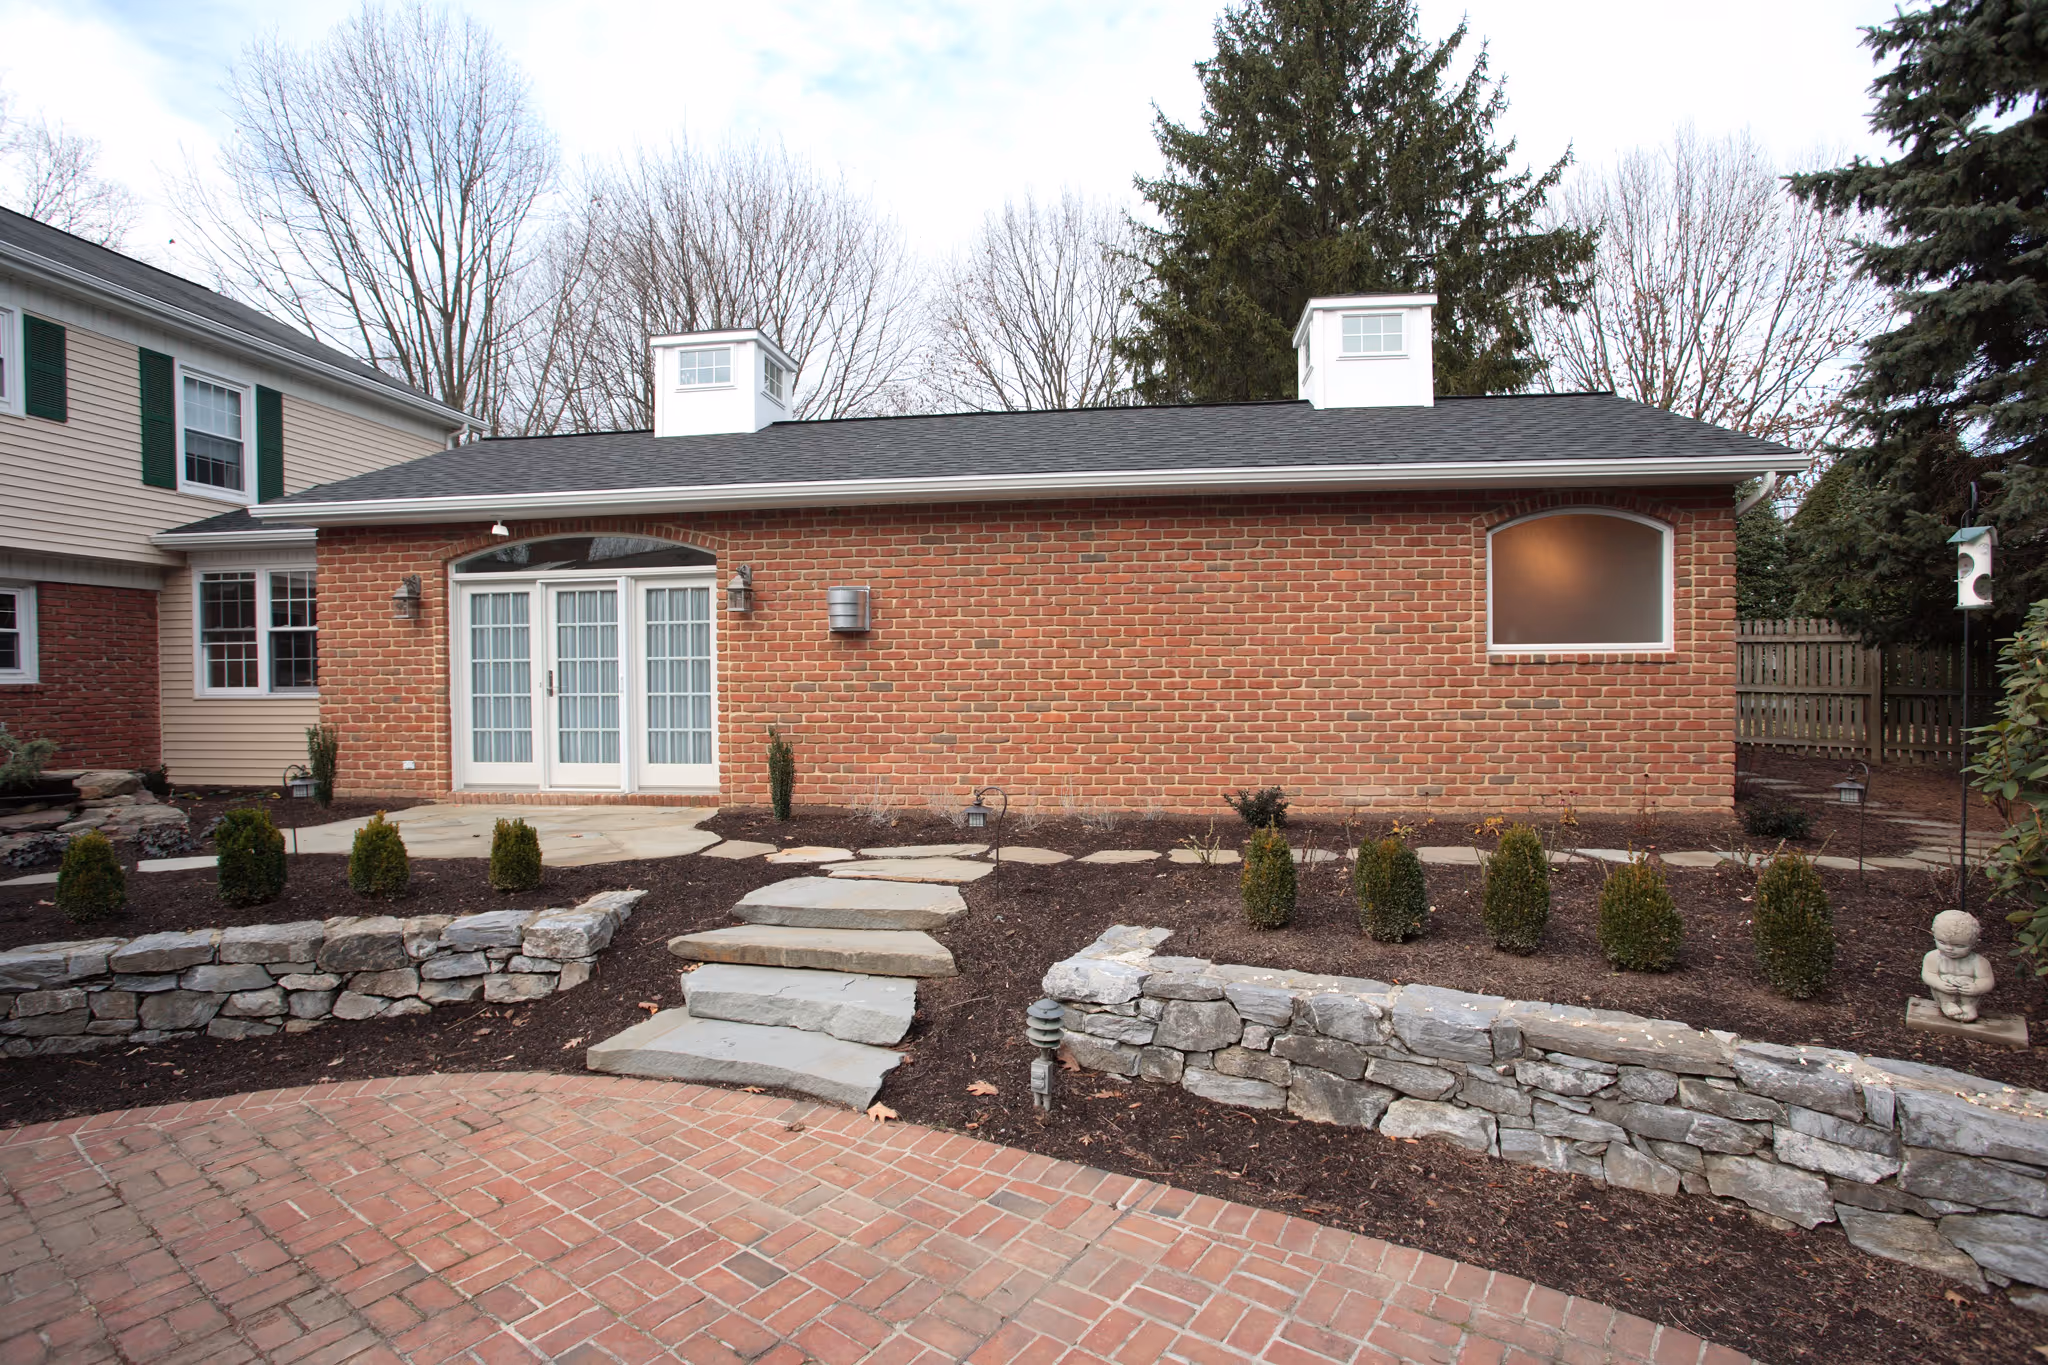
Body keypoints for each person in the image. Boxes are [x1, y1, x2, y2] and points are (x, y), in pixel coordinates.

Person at [1922, 909, 1997, 1023]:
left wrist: (1976, 987)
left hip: (1967, 994)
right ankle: (1947, 1003)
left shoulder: (1979, 962)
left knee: (1967, 981)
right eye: (1942, 942)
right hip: (1944, 992)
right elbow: (1928, 974)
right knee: (1945, 979)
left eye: (1959, 946)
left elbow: (1987, 980)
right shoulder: (1932, 957)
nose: (1949, 948)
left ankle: (1968, 1006)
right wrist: (1939, 983)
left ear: (1973, 943)